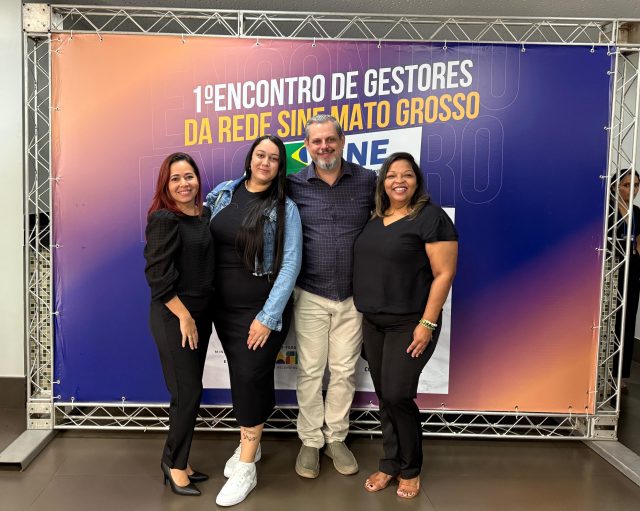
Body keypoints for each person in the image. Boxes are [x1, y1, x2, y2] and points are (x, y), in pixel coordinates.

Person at [352, 152, 458, 499]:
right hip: (374, 323)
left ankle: (410, 468)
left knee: (398, 394)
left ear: (417, 180)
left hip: (410, 323)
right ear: (383, 182)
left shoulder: (431, 218)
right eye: (391, 175)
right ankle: (389, 463)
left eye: (407, 175)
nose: (399, 181)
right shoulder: (375, 218)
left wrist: (427, 323)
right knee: (386, 396)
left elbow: (444, 274)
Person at [206, 135, 302, 506]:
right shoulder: (223, 193)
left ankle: (246, 467)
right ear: (250, 159)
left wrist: (268, 316)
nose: (265, 162)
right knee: (248, 376)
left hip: (262, 311)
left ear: (280, 167)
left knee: (248, 376)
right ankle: (254, 444)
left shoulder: (284, 207)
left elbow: (290, 264)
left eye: (273, 158)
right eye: (260, 155)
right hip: (223, 309)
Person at [287, 114, 376, 479]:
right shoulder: (294, 184)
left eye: (330, 140)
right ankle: (310, 440)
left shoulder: (368, 180)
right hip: (310, 292)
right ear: (307, 147)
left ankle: (336, 437)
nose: (323, 147)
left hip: (353, 296)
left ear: (342, 141)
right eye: (316, 141)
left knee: (343, 371)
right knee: (310, 371)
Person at [144, 152, 214, 496]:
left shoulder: (203, 215)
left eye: (189, 176)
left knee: (188, 392)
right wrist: (184, 316)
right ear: (165, 185)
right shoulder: (163, 219)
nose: (184, 184)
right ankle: (174, 466)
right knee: (187, 393)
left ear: (198, 180)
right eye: (175, 179)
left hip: (200, 315)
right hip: (174, 315)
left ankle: (176, 460)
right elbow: (157, 276)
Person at [614, 169, 640, 387]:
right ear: (615, 187)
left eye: (636, 185)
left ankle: (619, 373)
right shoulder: (607, 211)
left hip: (631, 272)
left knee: (627, 319)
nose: (632, 190)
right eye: (626, 185)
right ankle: (600, 369)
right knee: (609, 319)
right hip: (610, 270)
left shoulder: (637, 212)